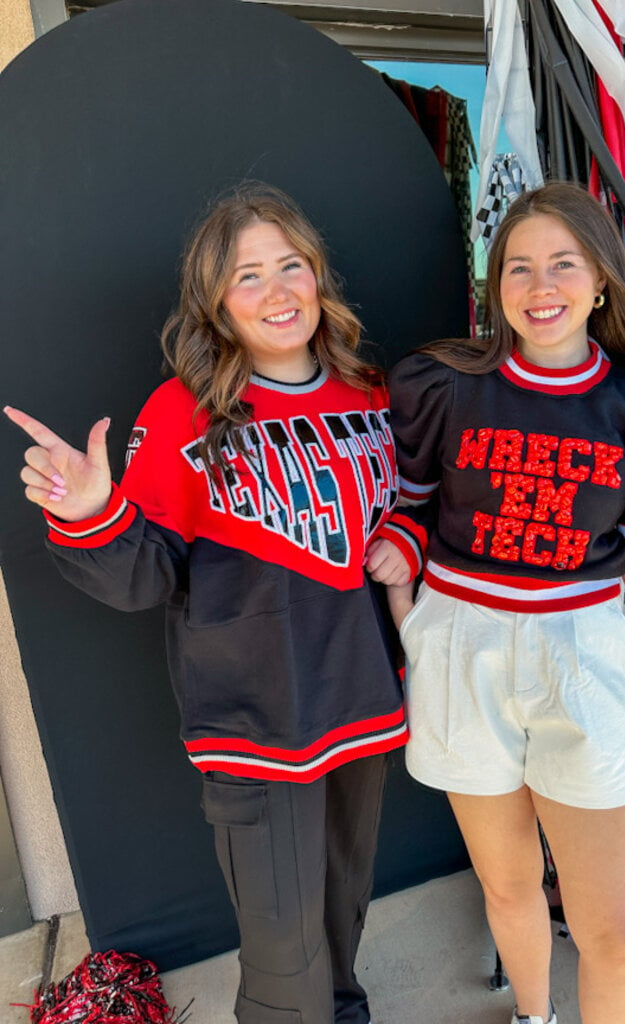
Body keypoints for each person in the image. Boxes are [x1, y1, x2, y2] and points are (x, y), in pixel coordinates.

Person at [365, 181, 625, 1024]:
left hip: (581, 658)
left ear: (601, 281)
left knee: (611, 932)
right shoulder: (444, 385)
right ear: (495, 288)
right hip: (463, 653)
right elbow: (411, 506)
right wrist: (408, 581)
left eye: (563, 262)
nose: (540, 285)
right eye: (518, 267)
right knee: (509, 884)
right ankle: (534, 1015)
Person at [5, 183, 407, 1024]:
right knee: (281, 948)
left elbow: (401, 512)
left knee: (342, 910)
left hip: (362, 707)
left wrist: (406, 542)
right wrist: (87, 515)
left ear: (319, 276)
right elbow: (146, 573)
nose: (277, 290)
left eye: (290, 265)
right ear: (217, 304)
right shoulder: (184, 411)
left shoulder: (367, 391)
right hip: (257, 723)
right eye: (247, 276)